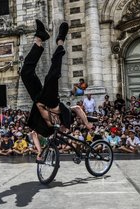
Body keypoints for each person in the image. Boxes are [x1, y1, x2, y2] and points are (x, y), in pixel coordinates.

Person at [20, 19, 93, 162]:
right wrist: (87, 124)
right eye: (65, 130)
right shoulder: (67, 119)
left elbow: (34, 134)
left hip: (38, 99)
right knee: (52, 76)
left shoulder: (46, 130)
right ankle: (60, 41)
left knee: (25, 74)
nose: (64, 131)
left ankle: (39, 38)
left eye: (63, 131)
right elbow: (78, 108)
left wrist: (40, 152)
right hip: (50, 99)